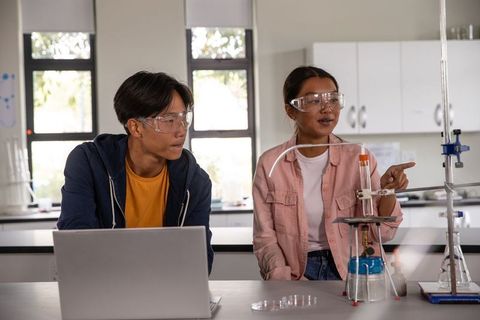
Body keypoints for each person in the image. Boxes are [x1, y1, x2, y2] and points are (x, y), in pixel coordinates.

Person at [252, 66, 415, 280]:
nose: (327, 109)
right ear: (291, 110)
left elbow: (382, 233)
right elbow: (265, 238)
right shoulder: (271, 164)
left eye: (333, 99)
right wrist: (282, 280)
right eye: (314, 100)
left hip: (353, 272)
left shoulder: (360, 159)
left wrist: (387, 191)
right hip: (296, 274)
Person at [57, 71, 214, 274]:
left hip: (167, 293)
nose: (181, 130)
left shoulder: (196, 182)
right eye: (168, 120)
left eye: (184, 118)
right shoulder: (87, 163)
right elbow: (76, 245)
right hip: (102, 291)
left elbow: (199, 262)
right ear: (136, 128)